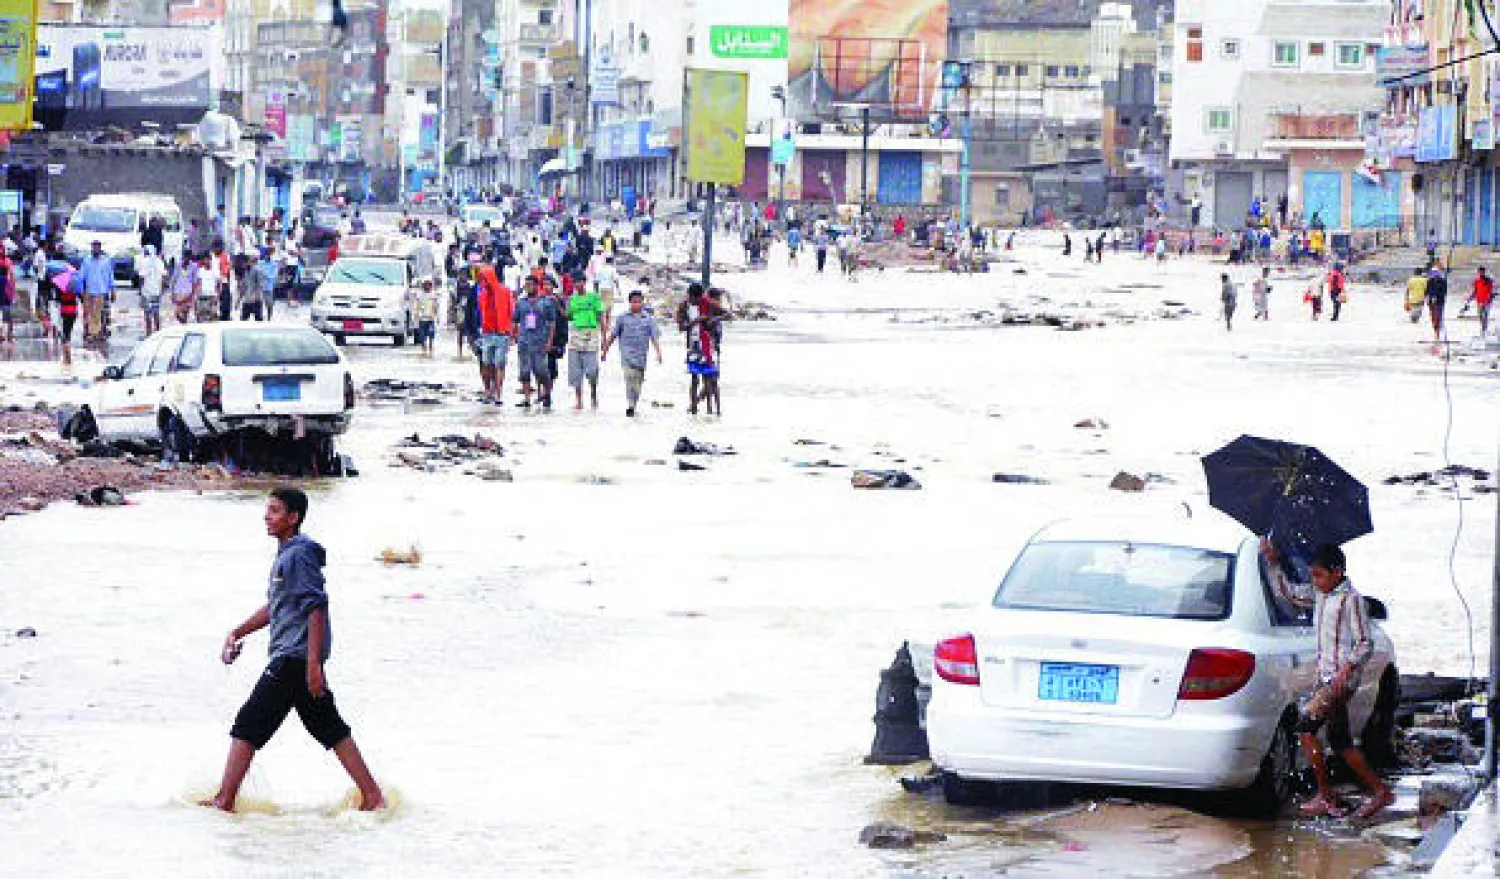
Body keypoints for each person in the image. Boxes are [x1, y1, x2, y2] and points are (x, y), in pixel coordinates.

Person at [202, 488, 385, 814]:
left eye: (274, 511)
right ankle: (372, 797)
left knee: (248, 724)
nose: (266, 517)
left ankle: (224, 800)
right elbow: (278, 606)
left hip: (294, 659)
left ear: (293, 518)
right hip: (299, 659)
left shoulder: (297, 556)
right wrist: (237, 631)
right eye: (267, 510)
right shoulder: (289, 554)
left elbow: (316, 607)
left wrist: (313, 664)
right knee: (328, 727)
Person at [1261, 540, 1393, 821]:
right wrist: (1273, 563)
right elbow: (1291, 594)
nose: (1315, 581)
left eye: (1319, 575)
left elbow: (1365, 643)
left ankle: (1325, 794)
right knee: (1341, 741)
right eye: (1313, 575)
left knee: (1306, 727)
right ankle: (1380, 792)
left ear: (1337, 572)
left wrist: (1349, 666)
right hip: (1326, 677)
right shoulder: (1321, 595)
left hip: (1339, 681)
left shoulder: (1352, 600)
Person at [601, 289, 663, 417]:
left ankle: (634, 404)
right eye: (634, 302)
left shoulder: (649, 319)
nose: (636, 305)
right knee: (629, 378)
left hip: (641, 357)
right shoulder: (622, 318)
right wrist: (605, 351)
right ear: (630, 303)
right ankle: (630, 405)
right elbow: (613, 335)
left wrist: (658, 353)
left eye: (639, 302)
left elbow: (654, 337)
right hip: (626, 356)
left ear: (642, 303)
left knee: (638, 383)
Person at [513, 275, 558, 409]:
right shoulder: (521, 303)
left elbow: (552, 323)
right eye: (526, 285)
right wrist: (514, 335)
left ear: (536, 286)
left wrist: (550, 341)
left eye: (530, 285)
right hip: (524, 341)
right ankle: (527, 399)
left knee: (541, 371)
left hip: (540, 341)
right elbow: (515, 320)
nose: (528, 288)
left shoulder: (546, 302)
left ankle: (547, 393)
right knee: (524, 371)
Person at [475, 260, 515, 404]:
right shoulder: (482, 295)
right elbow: (480, 315)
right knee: (487, 363)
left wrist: (512, 333)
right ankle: (490, 391)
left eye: (483, 279)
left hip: (502, 334)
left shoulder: (505, 292)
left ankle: (498, 393)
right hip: (487, 334)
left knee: (499, 364)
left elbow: (512, 312)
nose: (482, 282)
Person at [565, 279, 604, 410]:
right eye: (575, 282)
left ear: (584, 282)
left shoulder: (594, 298)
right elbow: (569, 316)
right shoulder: (572, 299)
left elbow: (600, 317)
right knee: (576, 371)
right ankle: (579, 399)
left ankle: (593, 392)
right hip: (576, 334)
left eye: (580, 282)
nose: (577, 285)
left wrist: (603, 338)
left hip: (591, 334)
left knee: (592, 370)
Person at [78, 240, 115, 343]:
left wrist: (112, 290)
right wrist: (80, 290)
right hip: (89, 290)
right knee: (88, 313)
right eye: (93, 247)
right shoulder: (86, 260)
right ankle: (91, 332)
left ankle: (94, 334)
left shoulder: (106, 261)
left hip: (101, 291)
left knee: (97, 314)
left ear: (100, 248)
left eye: (97, 247)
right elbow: (82, 276)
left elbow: (110, 276)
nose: (95, 249)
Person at [138, 244, 166, 337]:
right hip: (156, 291)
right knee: (156, 312)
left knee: (147, 313)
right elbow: (164, 277)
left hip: (146, 291)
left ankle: (149, 333)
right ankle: (158, 333)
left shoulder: (144, 262)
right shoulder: (159, 262)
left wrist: (140, 289)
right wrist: (161, 289)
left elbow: (141, 277)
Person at [1462, 266, 1494, 337]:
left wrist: (1485, 301)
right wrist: (1469, 299)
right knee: (1480, 316)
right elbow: (1475, 291)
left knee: (1485, 315)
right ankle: (1483, 328)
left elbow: (1490, 292)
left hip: (1487, 302)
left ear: (1484, 272)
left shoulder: (1489, 281)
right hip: (1479, 301)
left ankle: (1484, 330)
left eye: (1482, 271)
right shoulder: (1477, 281)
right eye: (1479, 272)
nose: (1480, 273)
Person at [415, 278, 439, 356]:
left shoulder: (433, 294)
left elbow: (436, 305)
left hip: (431, 318)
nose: (427, 286)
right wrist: (416, 314)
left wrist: (436, 315)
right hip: (422, 318)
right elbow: (417, 305)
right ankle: (424, 348)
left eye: (429, 284)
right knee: (422, 335)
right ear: (423, 285)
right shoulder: (419, 295)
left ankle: (431, 348)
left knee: (431, 334)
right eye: (426, 284)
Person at [1426, 264, 1448, 342]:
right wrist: (1429, 299)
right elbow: (1427, 291)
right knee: (1433, 318)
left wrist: (1436, 297)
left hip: (1439, 302)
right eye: (1433, 273)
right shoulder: (1430, 281)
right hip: (1431, 303)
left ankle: (1437, 333)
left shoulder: (1443, 281)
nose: (1434, 274)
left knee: (1438, 317)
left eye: (1435, 272)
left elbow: (1444, 292)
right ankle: (1436, 331)